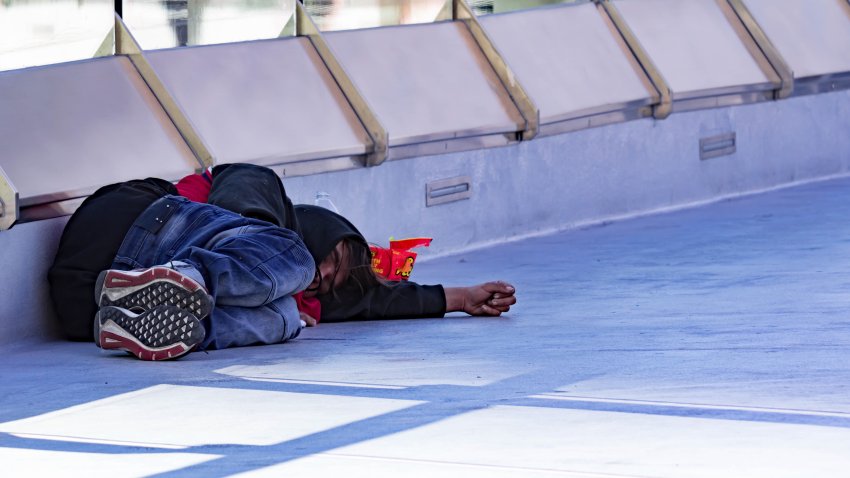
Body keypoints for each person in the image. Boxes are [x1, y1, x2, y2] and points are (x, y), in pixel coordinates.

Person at [48, 169, 314, 360]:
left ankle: (185, 324)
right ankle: (189, 275)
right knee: (297, 253)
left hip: (86, 306)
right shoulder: (242, 180)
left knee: (286, 318)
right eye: (336, 261)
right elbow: (240, 204)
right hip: (131, 223)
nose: (325, 274)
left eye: (340, 287)